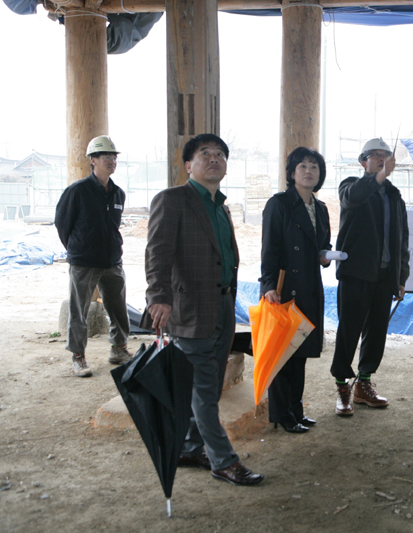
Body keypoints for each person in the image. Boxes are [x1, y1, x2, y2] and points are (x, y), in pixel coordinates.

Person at [144, 133, 263, 486]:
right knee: (204, 389)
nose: (214, 159)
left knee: (205, 386)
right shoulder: (173, 200)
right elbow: (157, 253)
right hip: (190, 308)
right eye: (205, 154)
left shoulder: (221, 205)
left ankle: (190, 447)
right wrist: (158, 297)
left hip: (224, 305)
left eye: (220, 155)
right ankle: (223, 460)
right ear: (188, 165)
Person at [331, 137, 410, 416]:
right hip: (356, 273)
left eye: (385, 155)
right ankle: (342, 386)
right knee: (349, 329)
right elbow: (352, 199)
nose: (380, 159)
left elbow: (402, 240)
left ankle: (363, 384)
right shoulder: (351, 186)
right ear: (363, 162)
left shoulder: (394, 195)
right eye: (374, 155)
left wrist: (402, 277)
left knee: (377, 332)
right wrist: (377, 176)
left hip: (386, 276)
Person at [261, 147, 332, 434]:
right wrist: (267, 286)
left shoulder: (321, 208)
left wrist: (325, 256)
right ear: (292, 173)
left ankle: (296, 409)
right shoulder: (278, 204)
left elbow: (320, 248)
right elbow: (270, 248)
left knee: (300, 351)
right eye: (302, 166)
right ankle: (282, 414)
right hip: (283, 288)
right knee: (282, 354)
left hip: (310, 287)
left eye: (314, 167)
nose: (308, 171)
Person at [55, 135, 132, 378]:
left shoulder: (118, 194)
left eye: (114, 157)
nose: (112, 161)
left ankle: (119, 348)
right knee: (79, 311)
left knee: (118, 308)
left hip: (112, 262)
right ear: (93, 160)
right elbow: (62, 224)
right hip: (84, 262)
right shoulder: (77, 191)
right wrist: (78, 249)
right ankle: (78, 356)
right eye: (106, 157)